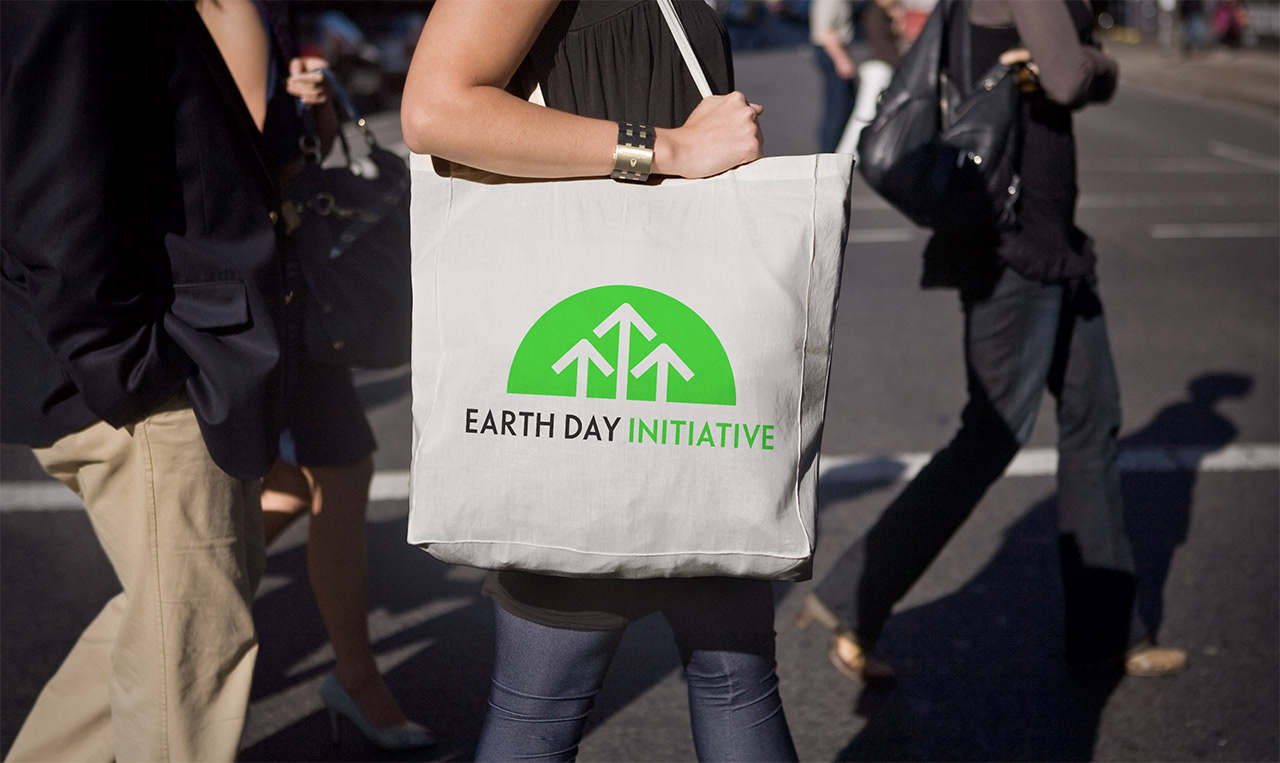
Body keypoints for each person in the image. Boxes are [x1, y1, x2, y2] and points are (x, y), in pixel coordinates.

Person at [401, 2, 796, 760]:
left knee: (716, 687)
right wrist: (669, 148)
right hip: (597, 368)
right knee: (556, 707)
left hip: (692, 337)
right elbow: (436, 111)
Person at [798, 0, 1189, 683]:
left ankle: (1110, 633)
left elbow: (1052, 74)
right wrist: (1099, 64)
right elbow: (1069, 79)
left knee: (1093, 421)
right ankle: (852, 596)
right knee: (992, 434)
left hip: (1050, 240)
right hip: (1017, 243)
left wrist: (1064, 63)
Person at [0, 3, 288, 760]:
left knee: (169, 621)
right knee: (189, 666)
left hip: (132, 359)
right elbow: (54, 191)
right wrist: (129, 369)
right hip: (146, 375)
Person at [194, 0, 433, 749]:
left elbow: (301, 160)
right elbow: (215, 158)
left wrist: (316, 106)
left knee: (334, 470)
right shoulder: (217, 11)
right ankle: (169, 631)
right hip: (235, 288)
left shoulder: (272, 13)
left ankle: (353, 676)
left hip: (292, 285)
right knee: (297, 479)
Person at [834, 0, 903, 157]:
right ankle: (847, 154)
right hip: (879, 68)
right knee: (865, 114)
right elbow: (885, 44)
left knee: (867, 113)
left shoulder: (878, 12)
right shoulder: (875, 13)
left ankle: (849, 153)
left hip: (878, 67)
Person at [811, 0, 859, 153]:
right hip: (832, 51)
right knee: (838, 106)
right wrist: (841, 59)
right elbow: (825, 32)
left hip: (837, 49)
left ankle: (833, 149)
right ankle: (828, 151)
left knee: (845, 102)